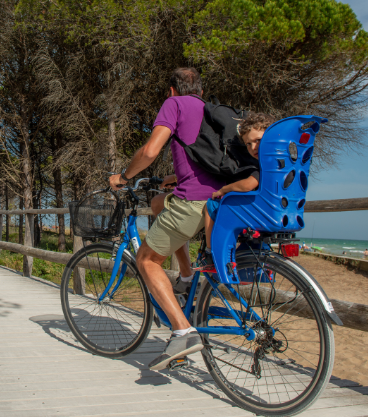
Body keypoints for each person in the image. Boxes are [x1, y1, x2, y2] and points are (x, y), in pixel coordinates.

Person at [109, 67, 224, 371]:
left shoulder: (174, 104)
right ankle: (187, 278)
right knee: (159, 203)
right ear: (199, 89)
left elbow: (150, 150)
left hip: (194, 202)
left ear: (173, 89)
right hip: (219, 197)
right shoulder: (210, 110)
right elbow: (207, 159)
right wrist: (175, 177)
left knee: (147, 261)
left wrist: (124, 176)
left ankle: (183, 332)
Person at [201, 113, 274, 264]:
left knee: (211, 206)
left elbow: (248, 184)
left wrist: (223, 190)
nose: (253, 147)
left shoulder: (267, 165)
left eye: (258, 140)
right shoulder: (283, 161)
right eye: (248, 143)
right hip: (274, 212)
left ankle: (210, 253)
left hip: (259, 213)